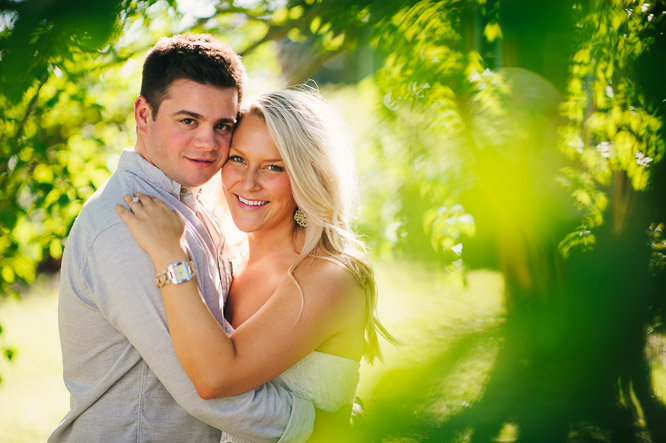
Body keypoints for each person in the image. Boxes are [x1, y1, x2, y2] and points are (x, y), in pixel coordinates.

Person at [49, 34, 315, 442]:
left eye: (222, 126)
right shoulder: (130, 222)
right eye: (188, 121)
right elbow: (203, 389)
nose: (208, 143)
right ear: (143, 114)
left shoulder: (185, 205)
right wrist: (318, 423)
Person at [115, 88, 394, 441]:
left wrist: (170, 256)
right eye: (238, 159)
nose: (248, 183)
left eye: (273, 167)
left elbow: (217, 377)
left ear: (307, 176)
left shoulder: (329, 277)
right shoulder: (230, 262)